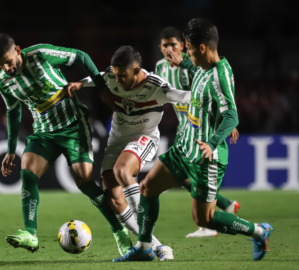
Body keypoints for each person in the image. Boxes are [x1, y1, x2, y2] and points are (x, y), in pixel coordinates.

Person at [113, 18, 273, 262]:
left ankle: (259, 232)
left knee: (204, 219)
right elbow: (196, 70)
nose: (184, 52)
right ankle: (145, 247)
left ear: (201, 48)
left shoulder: (220, 74)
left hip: (205, 158)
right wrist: (183, 63)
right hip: (184, 148)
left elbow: (232, 114)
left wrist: (214, 140)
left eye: (187, 48)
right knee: (147, 187)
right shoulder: (202, 67)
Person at [0, 34, 131, 255]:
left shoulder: (40, 54)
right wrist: (10, 149)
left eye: (8, 61)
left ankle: (119, 231)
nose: (6, 68)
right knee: (28, 172)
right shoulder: (3, 82)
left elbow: (81, 57)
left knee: (84, 183)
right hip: (44, 131)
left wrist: (102, 89)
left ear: (17, 49)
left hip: (74, 125)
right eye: (0, 65)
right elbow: (13, 112)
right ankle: (31, 235)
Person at [77, 46, 194, 261]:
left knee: (123, 170)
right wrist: (79, 83)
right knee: (113, 197)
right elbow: (99, 77)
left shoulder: (156, 86)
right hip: (117, 140)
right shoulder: (112, 76)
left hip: (144, 137)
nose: (118, 81)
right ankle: (156, 246)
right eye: (116, 75)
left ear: (137, 69)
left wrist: (213, 95)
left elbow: (185, 97)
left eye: (123, 76)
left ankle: (143, 238)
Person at [156, 26, 240, 238]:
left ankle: (219, 219)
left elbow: (222, 100)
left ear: (184, 46)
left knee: (193, 190)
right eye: (164, 45)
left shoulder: (209, 68)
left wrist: (218, 133)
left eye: (174, 45)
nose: (169, 49)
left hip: (201, 134)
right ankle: (224, 205)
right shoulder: (164, 67)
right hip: (185, 130)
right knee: (169, 180)